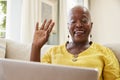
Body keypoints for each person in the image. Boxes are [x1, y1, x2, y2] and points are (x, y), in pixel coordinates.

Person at [30, 5, 120, 80]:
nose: (78, 25)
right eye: (73, 21)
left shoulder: (105, 52)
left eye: (84, 21)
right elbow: (35, 77)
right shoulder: (52, 52)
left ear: (91, 25)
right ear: (68, 26)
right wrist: (36, 47)